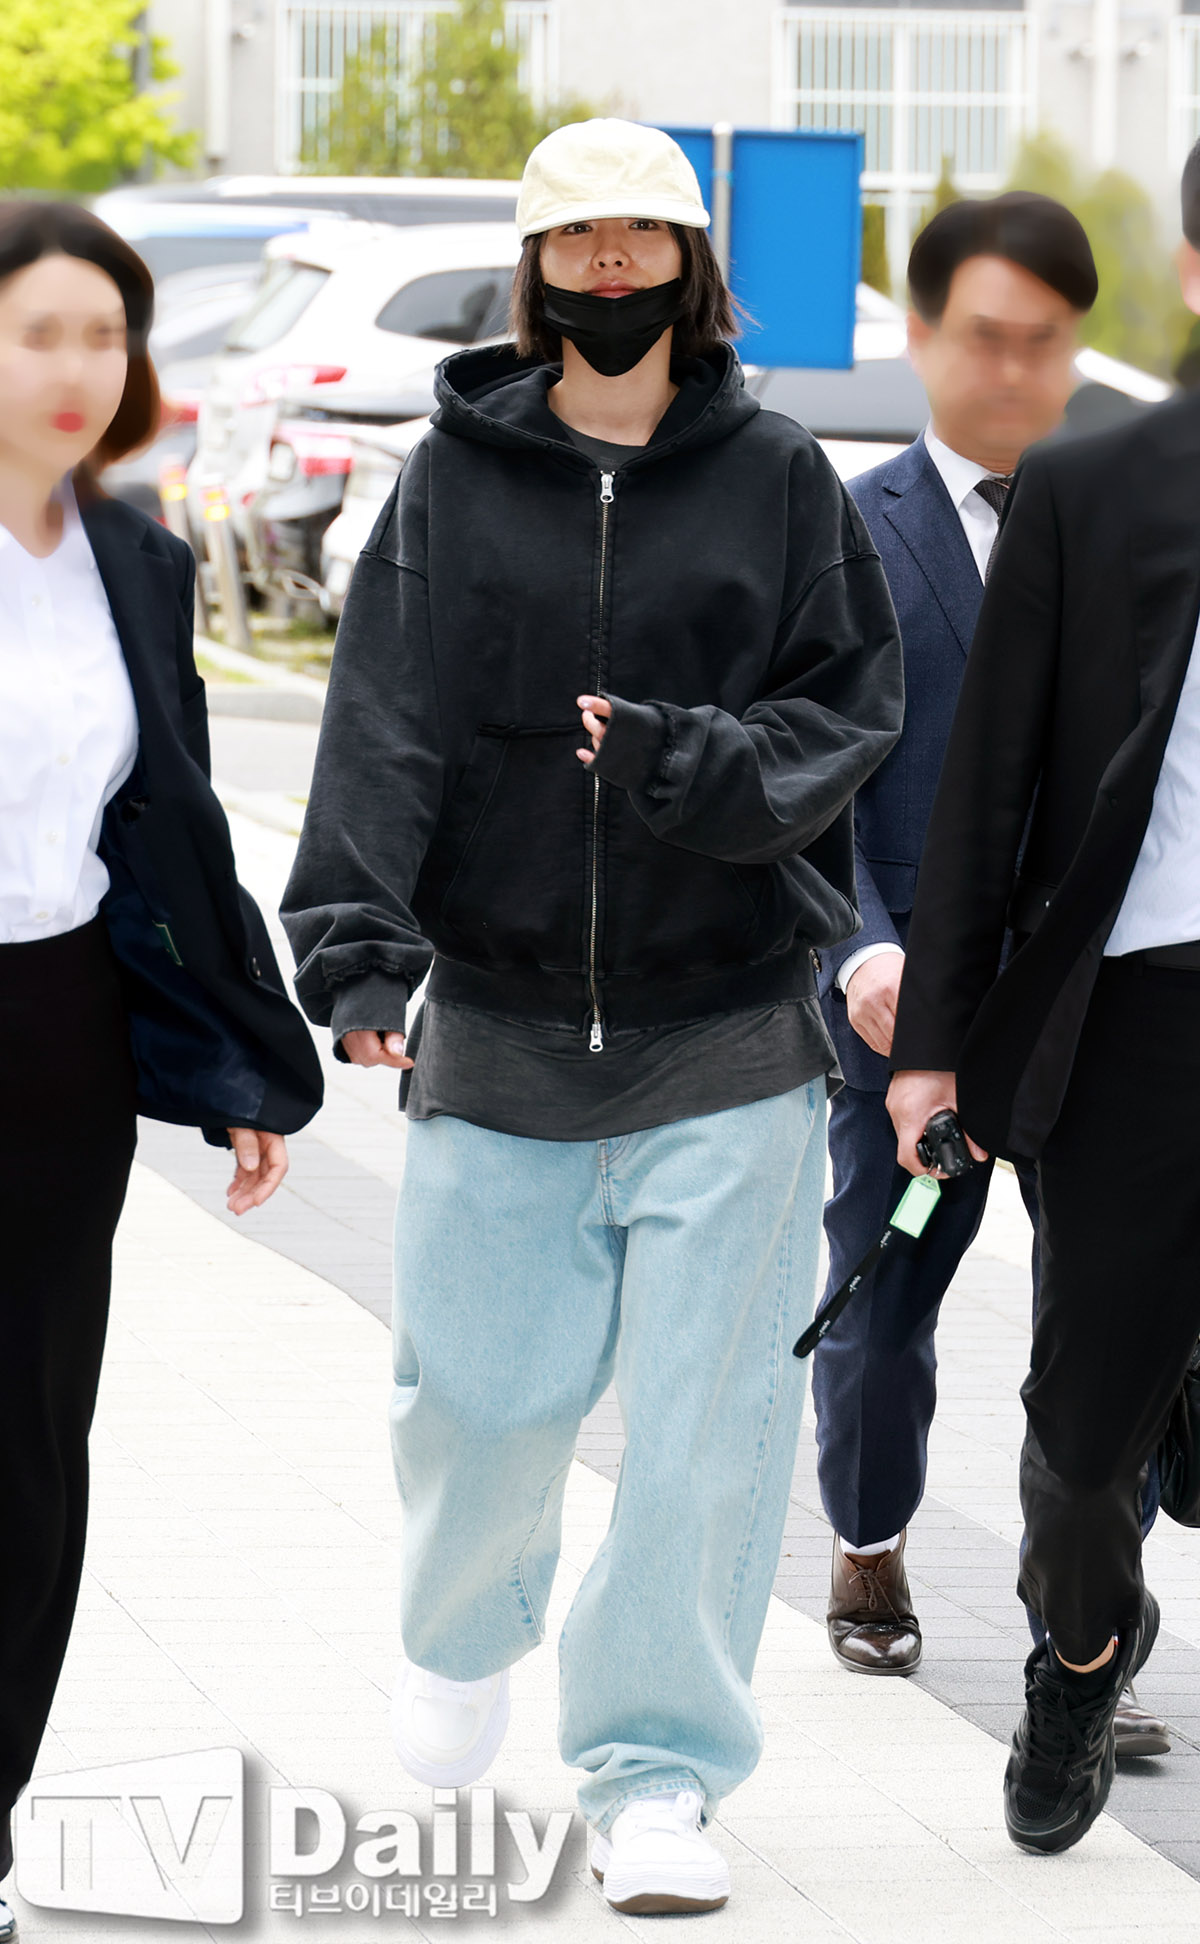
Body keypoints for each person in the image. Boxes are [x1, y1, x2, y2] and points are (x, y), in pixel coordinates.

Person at [282, 117, 902, 1918]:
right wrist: (357, 947)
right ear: (537, 267)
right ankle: (464, 1632)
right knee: (474, 1403)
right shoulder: (451, 480)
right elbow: (383, 719)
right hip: (497, 1019)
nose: (610, 264)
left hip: (729, 1031)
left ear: (690, 265)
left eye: (642, 236)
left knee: (709, 1439)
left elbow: (846, 713)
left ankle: (656, 1775)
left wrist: (682, 763)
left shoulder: (779, 476)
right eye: (578, 238)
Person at [0, 202, 323, 1931]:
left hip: (58, 1034)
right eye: (37, 332)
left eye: (104, 336)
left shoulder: (135, 556)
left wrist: (241, 1062)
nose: (76, 369)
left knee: (31, 1449)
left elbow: (175, 831)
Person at [810, 192, 1165, 1756]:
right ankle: (868, 1536)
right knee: (887, 1306)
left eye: (1045, 343)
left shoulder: (1132, 521)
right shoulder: (848, 534)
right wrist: (864, 951)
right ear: (921, 335)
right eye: (984, 338)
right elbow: (811, 780)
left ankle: (1081, 1641)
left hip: (1096, 1006)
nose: (1014, 372)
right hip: (913, 1008)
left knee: (1104, 1337)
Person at [886, 139, 1200, 1854]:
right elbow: (988, 787)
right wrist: (935, 1047)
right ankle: (1081, 1652)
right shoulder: (1094, 488)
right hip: (1138, 1026)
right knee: (1083, 1455)